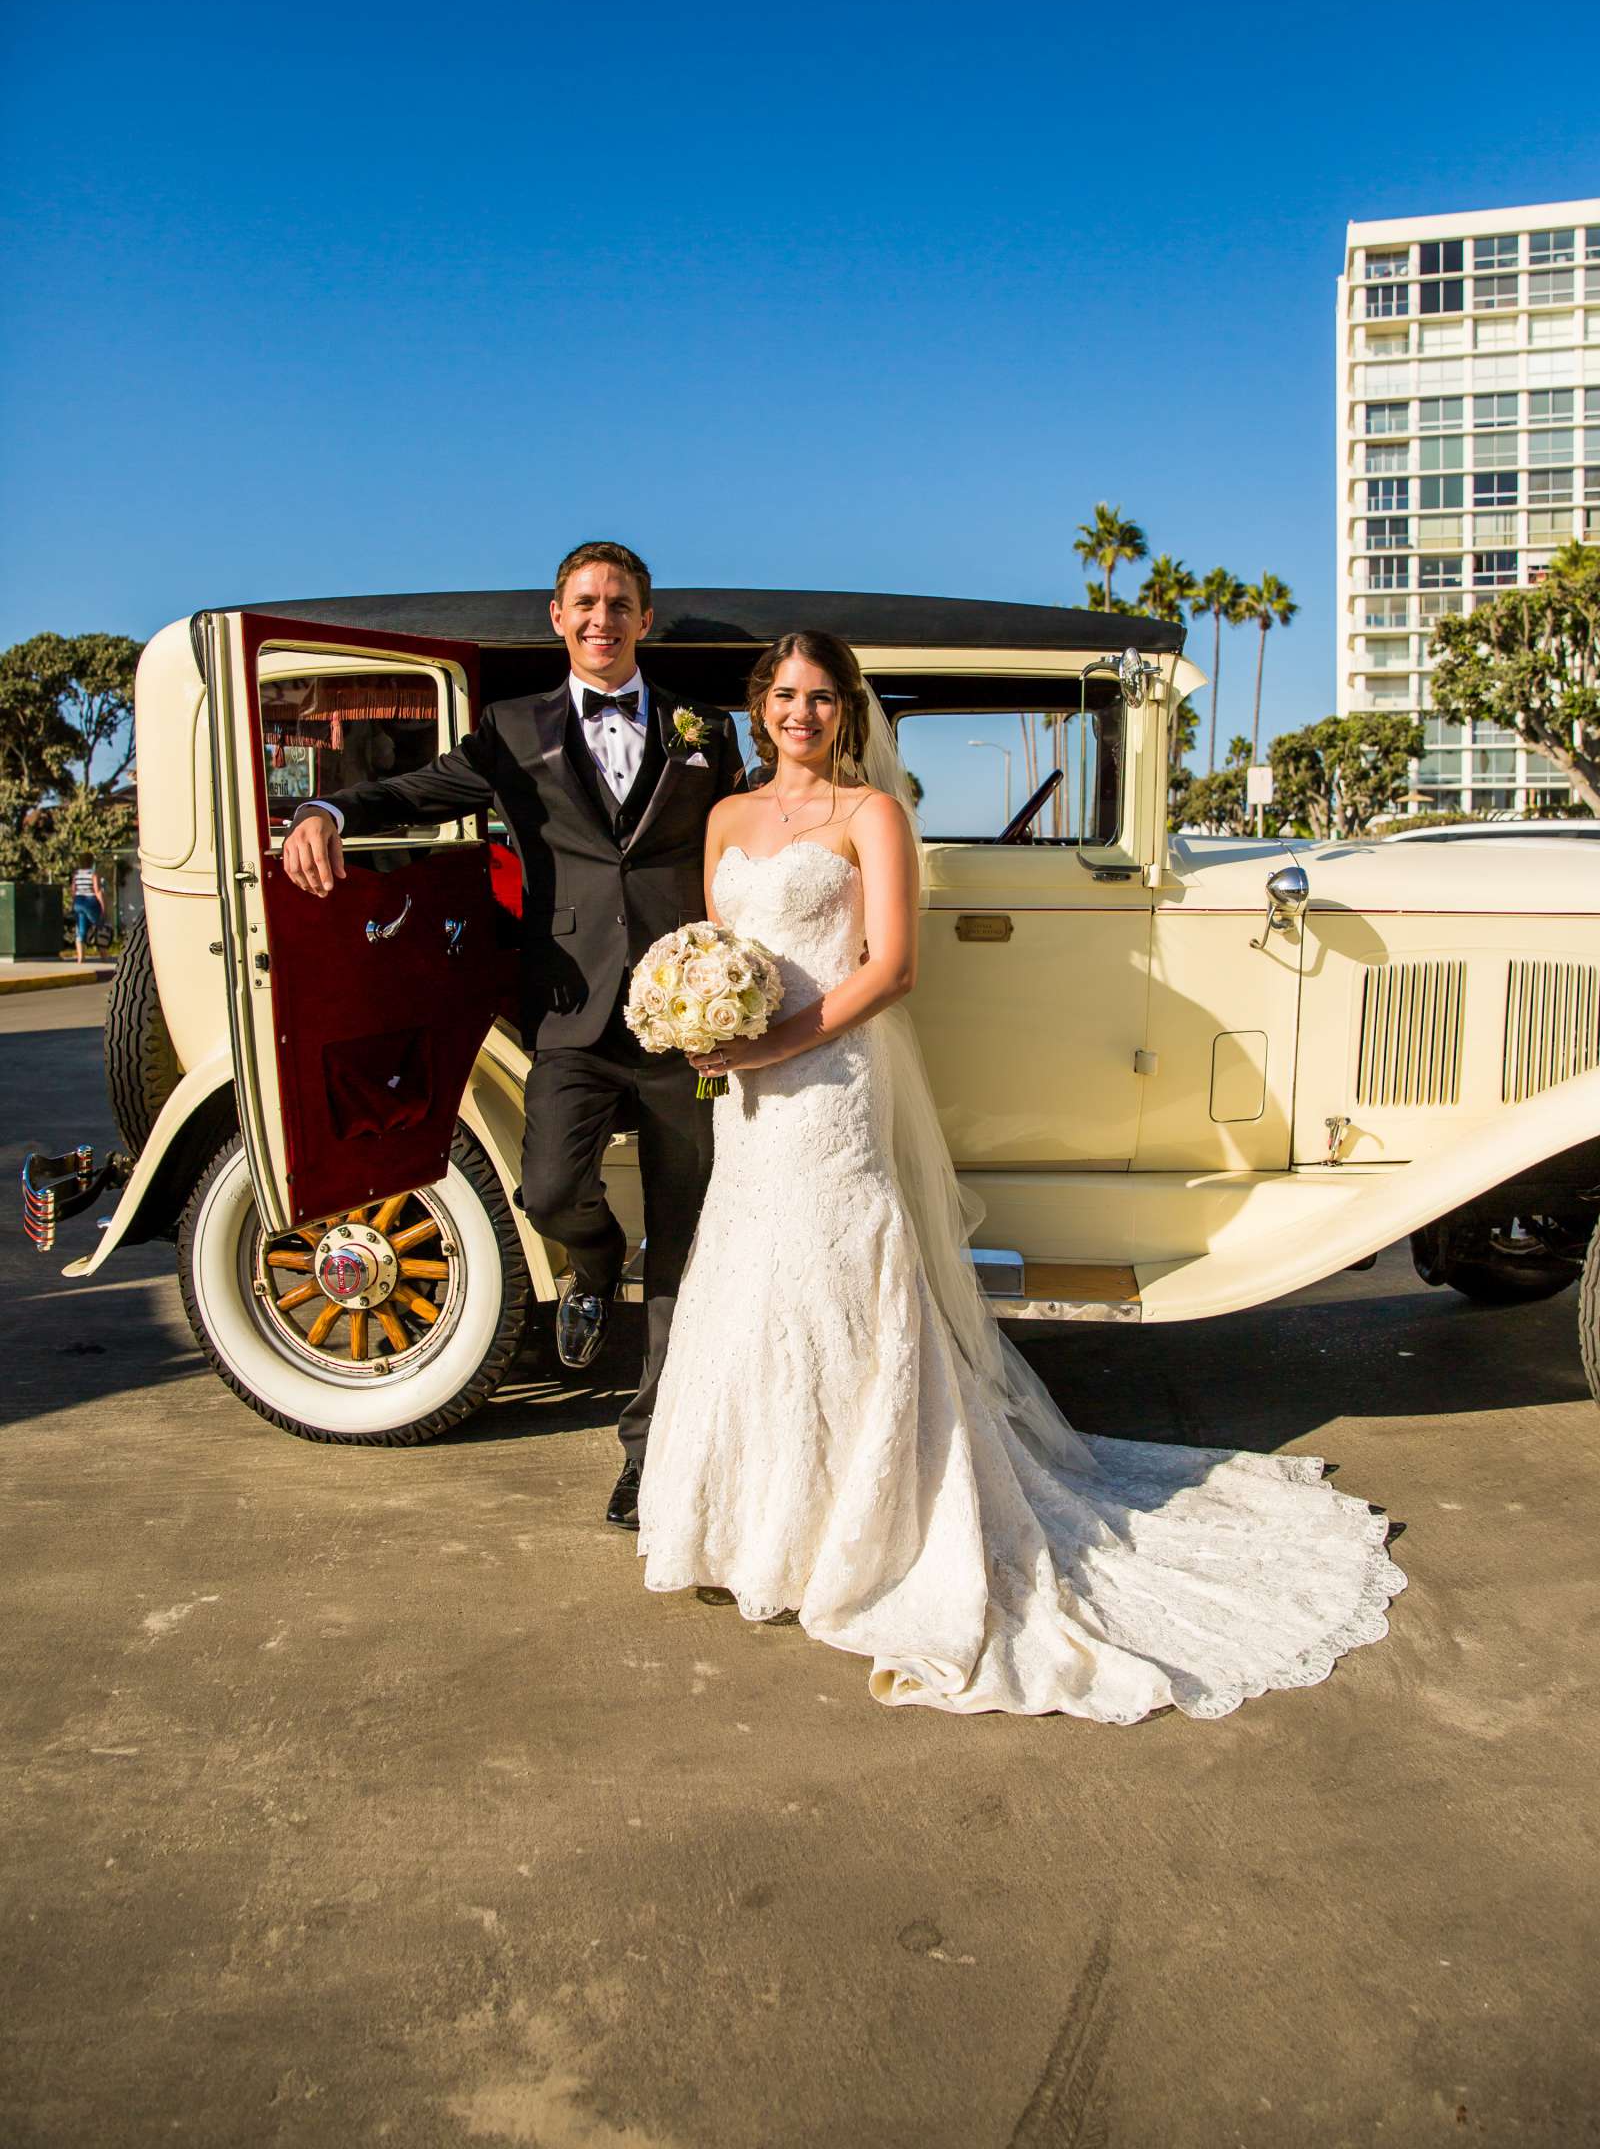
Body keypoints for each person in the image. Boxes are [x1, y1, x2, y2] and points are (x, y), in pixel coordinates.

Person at [636, 632, 1406, 1718]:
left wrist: (774, 1041)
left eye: (820, 697)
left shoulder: (872, 817)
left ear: (845, 713)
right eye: (784, 695)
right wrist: (698, 1013)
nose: (800, 713)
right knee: (753, 1281)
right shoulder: (726, 818)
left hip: (830, 1086)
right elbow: (721, 947)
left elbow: (892, 967)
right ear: (759, 708)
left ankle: (867, 1530)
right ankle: (757, 1525)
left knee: (837, 1281)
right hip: (751, 1101)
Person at [281, 542, 745, 1526]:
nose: (601, 618)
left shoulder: (706, 732)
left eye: (620, 603)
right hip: (571, 1013)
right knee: (546, 1188)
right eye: (585, 603)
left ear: (645, 619)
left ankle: (648, 1454)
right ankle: (588, 1258)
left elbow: (745, 840)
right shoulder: (511, 727)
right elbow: (413, 793)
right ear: (556, 615)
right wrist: (323, 807)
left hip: (687, 1018)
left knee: (687, 1241)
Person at [69, 865, 105, 964]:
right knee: (98, 927)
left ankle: (81, 958)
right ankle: (103, 955)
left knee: (81, 929)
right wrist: (102, 906)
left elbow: (73, 890)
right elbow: (97, 890)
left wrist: (73, 903)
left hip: (79, 902)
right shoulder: (93, 873)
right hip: (91, 902)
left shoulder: (76, 874)